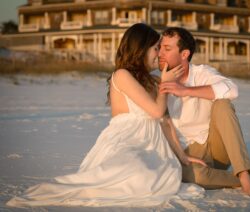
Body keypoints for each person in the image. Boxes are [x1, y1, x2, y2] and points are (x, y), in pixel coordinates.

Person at [6, 23, 204, 208]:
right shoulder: (122, 75)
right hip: (127, 139)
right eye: (155, 48)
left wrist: (182, 156)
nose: (159, 54)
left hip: (153, 143)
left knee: (163, 175)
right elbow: (156, 111)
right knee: (136, 173)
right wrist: (165, 84)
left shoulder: (153, 81)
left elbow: (165, 120)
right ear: (141, 50)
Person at [158, 27, 250, 198]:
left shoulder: (202, 73)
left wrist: (186, 90)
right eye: (160, 47)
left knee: (223, 103)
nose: (160, 53)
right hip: (185, 154)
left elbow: (232, 89)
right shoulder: (156, 82)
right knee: (196, 176)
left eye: (167, 48)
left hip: (216, 149)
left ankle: (244, 175)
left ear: (184, 54)